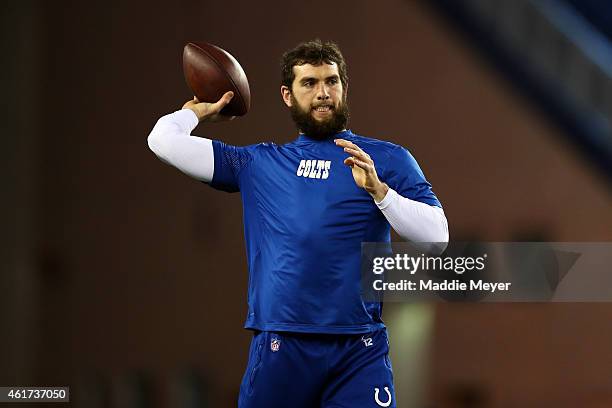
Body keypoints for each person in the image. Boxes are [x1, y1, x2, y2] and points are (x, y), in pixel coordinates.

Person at [148, 39, 448, 408]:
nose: (323, 93)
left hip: (359, 350)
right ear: (287, 96)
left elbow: (437, 238)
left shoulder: (386, 159)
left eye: (331, 81)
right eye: (309, 83)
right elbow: (162, 140)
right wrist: (197, 113)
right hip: (281, 347)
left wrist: (381, 191)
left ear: (344, 88)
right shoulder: (257, 164)